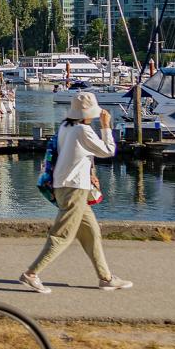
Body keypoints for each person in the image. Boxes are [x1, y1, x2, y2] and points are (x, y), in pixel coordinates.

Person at [19, 92, 132, 294]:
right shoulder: (82, 130)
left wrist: (90, 173)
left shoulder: (65, 127)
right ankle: (31, 273)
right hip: (74, 189)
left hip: (65, 186)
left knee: (92, 233)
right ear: (88, 113)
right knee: (62, 235)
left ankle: (106, 278)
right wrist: (106, 126)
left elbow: (79, 156)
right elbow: (108, 151)